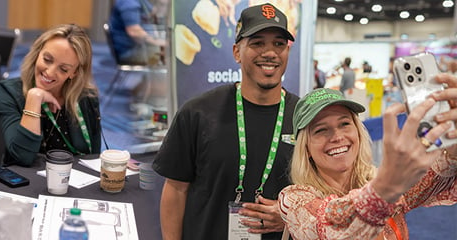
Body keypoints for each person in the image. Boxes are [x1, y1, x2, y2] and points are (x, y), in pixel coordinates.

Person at [156, 4, 298, 240]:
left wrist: (291, 215)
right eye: (257, 43)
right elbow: (176, 189)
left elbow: (321, 195)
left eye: (279, 44)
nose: (270, 52)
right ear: (236, 52)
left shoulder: (304, 118)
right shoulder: (198, 113)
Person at [279, 88, 457, 239]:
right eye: (321, 130)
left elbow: (439, 175)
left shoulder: (378, 180)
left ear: (357, 132)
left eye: (344, 124)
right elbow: (331, 226)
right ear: (306, 148)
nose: (337, 137)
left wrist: (453, 145)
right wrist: (387, 186)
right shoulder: (294, 200)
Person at [0, 24, 104, 166]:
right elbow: (22, 157)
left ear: (75, 72)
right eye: (47, 59)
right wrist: (34, 99)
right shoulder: (9, 92)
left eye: (63, 69)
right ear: (37, 54)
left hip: (73, 182)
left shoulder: (86, 97)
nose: (50, 72)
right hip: (27, 183)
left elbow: (93, 156)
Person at [108, 0, 165, 65]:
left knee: (168, 47)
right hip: (130, 51)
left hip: (140, 47)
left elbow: (152, 13)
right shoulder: (128, 2)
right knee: (170, 53)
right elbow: (134, 32)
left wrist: (162, 4)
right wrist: (158, 43)